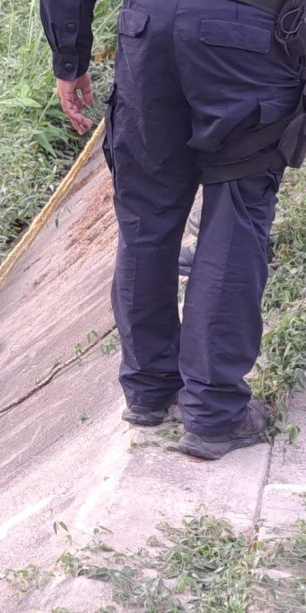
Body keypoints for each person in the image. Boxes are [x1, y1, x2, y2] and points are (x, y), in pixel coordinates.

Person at [40, 0, 305, 459]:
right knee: (235, 215)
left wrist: (70, 58)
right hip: (247, 40)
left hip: (149, 32)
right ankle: (213, 412)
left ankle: (150, 389)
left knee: (146, 217)